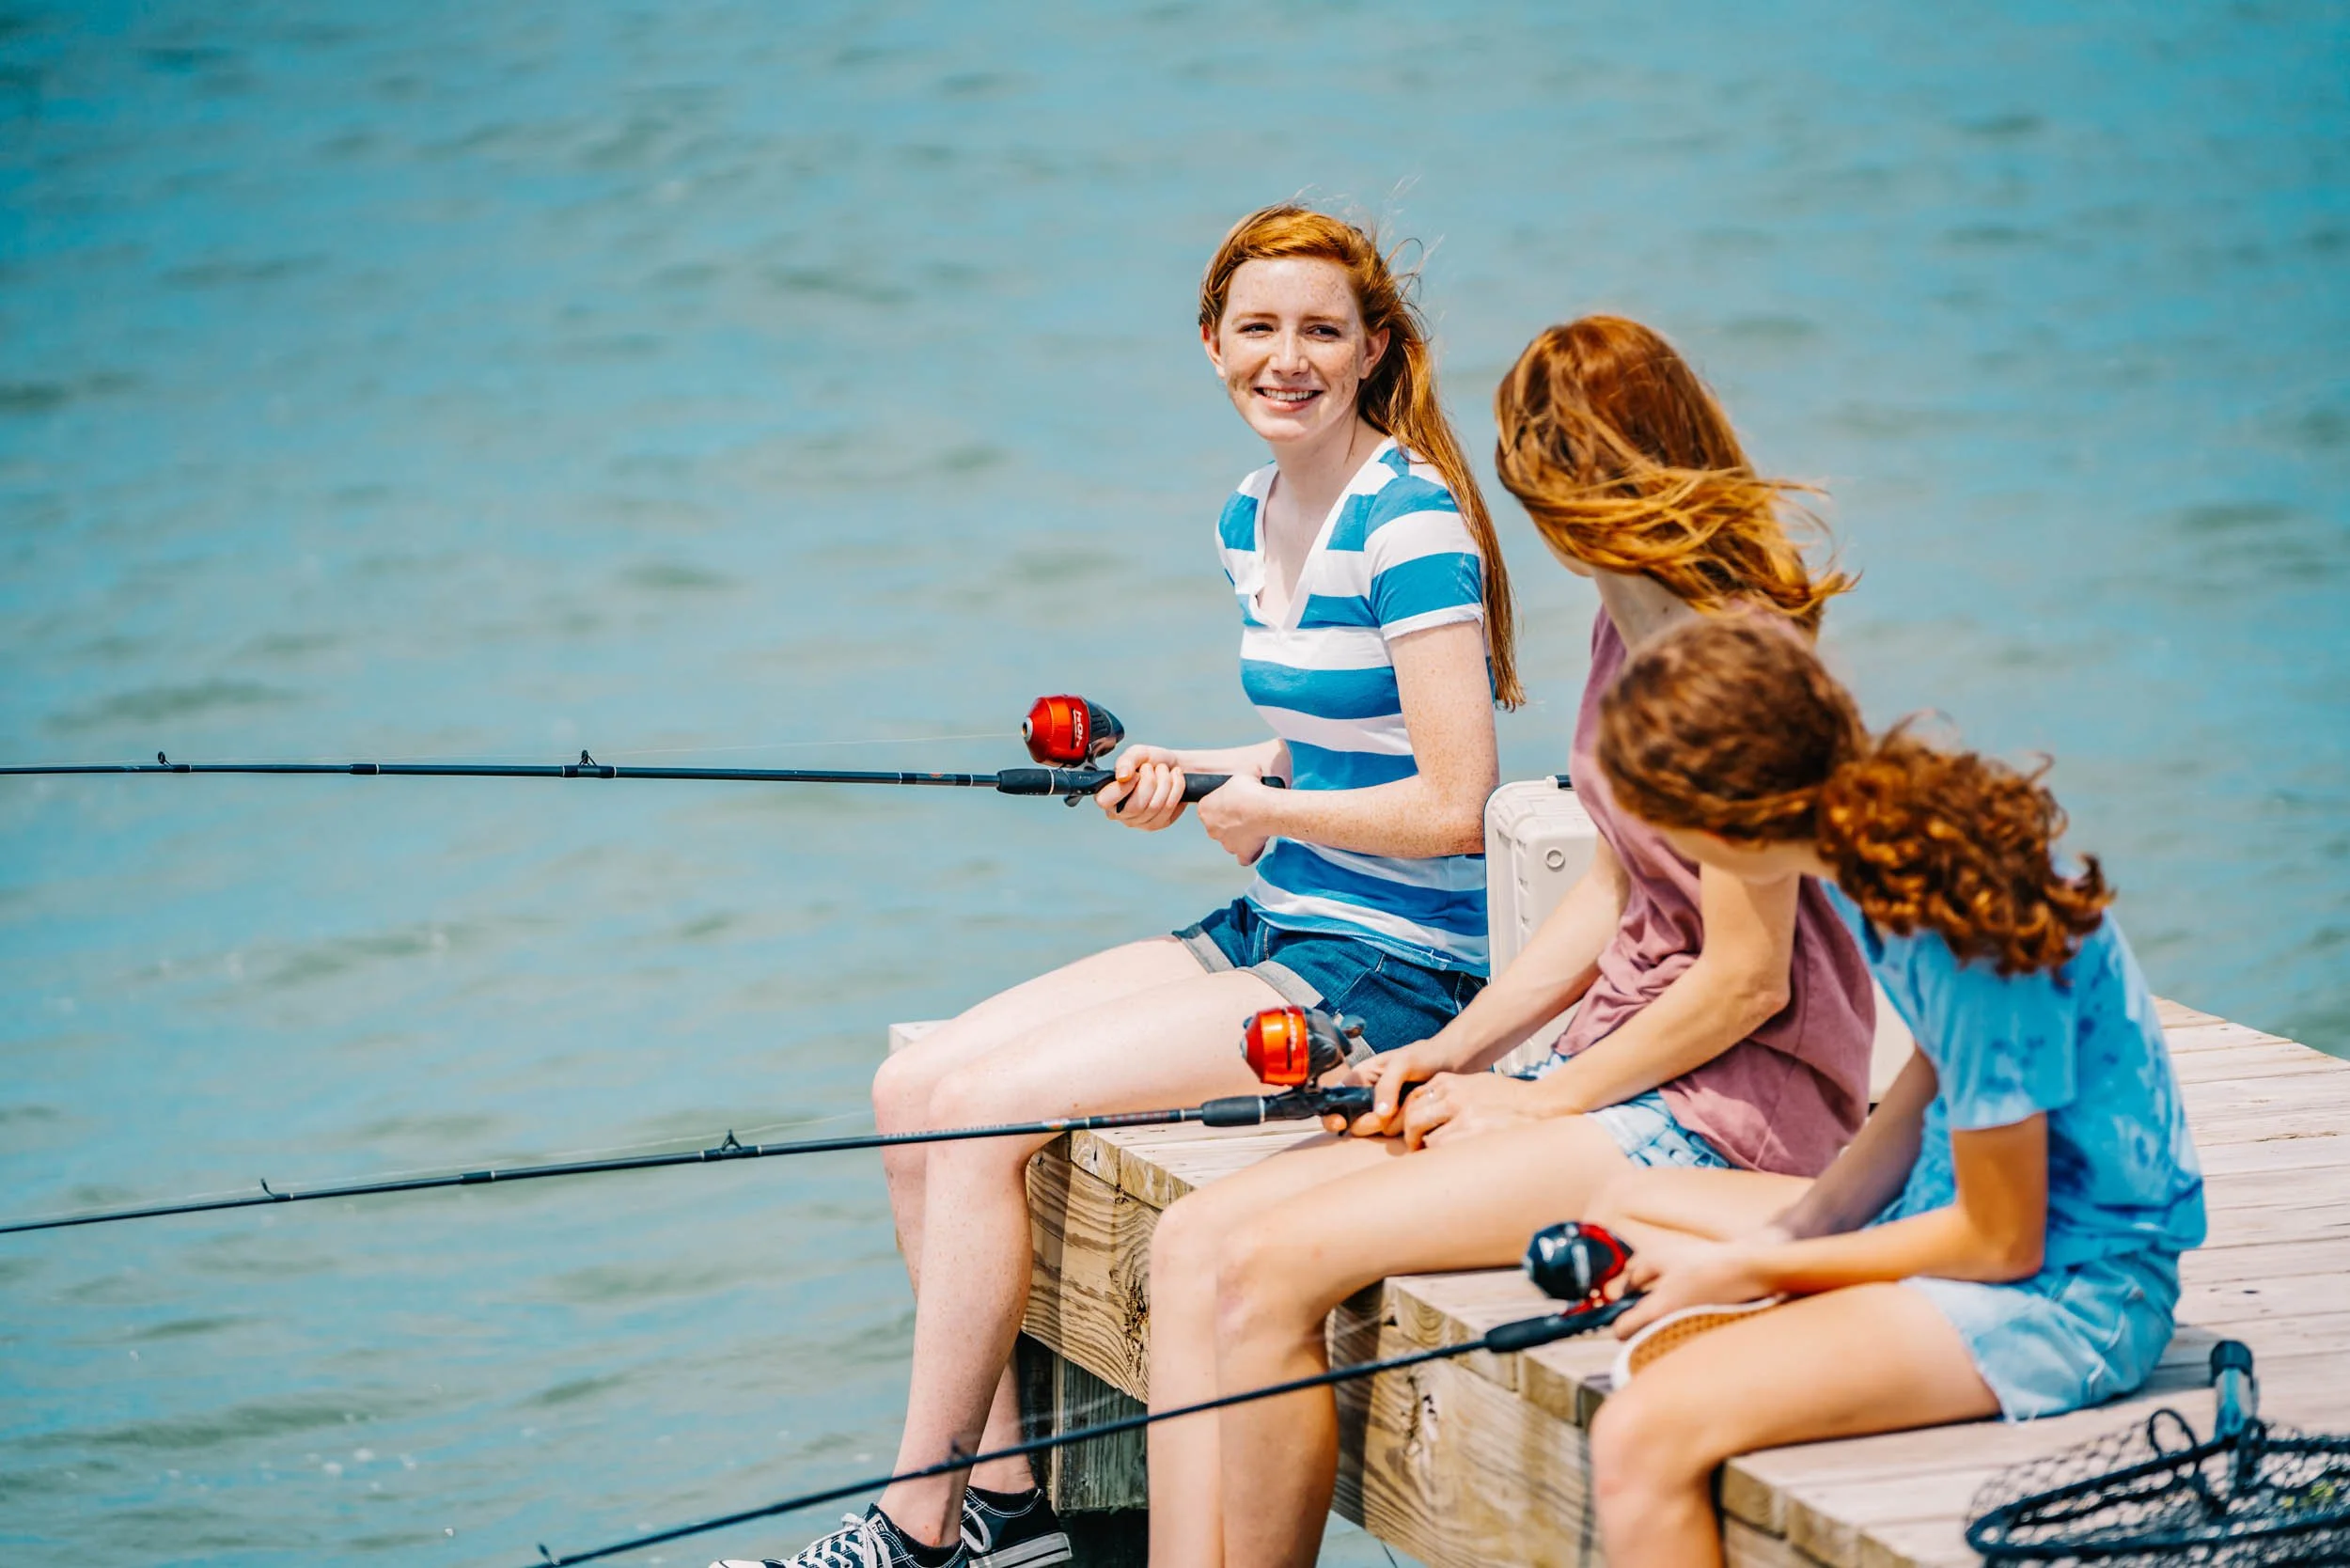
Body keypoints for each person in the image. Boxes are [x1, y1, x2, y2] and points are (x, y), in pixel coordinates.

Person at [717, 203, 1520, 1568]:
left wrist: (1262, 805)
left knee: (981, 1114)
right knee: (912, 1088)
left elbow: (1456, 808)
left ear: (1375, 349)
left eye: (1322, 331)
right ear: (1210, 344)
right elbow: (1322, 747)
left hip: (1397, 970)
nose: (1289, 358)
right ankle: (1014, 1503)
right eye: (1258, 329)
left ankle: (911, 1532)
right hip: (1286, 913)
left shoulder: (1412, 524)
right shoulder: (1251, 513)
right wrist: (1194, 772)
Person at [1144, 317, 1877, 1568]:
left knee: (1269, 1271)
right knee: (1191, 1240)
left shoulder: (1733, 655)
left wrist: (1544, 1109)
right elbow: (1616, 886)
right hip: (1610, 1065)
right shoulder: (1620, 621)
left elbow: (1749, 977)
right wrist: (1459, 1053)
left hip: (1723, 1106)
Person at [1580, 616, 2206, 1568]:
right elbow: (1924, 1088)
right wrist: (1785, 1239)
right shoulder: (1867, 851)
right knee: (1624, 1202)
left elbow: (2002, 1241)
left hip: (2069, 1292)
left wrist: (1759, 1272)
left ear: (1719, 826)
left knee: (1640, 1432)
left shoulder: (1946, 916)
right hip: (1953, 1217)